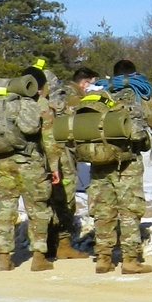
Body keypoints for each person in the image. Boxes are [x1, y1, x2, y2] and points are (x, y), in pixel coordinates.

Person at [85, 60, 152, 274]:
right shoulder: (138, 93)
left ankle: (103, 258)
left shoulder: (97, 93)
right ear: (133, 74)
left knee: (103, 210)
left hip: (99, 160)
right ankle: (130, 260)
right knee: (129, 210)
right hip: (128, 162)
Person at [0, 66, 61, 271]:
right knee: (38, 209)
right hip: (31, 164)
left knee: (5, 210)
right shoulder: (41, 106)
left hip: (3, 163)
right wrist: (54, 167)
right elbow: (49, 141)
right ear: (40, 87)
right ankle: (39, 256)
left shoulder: (5, 103)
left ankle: (4, 257)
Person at [46, 66, 98, 259]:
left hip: (46, 152)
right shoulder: (72, 98)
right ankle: (63, 244)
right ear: (85, 82)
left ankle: (49, 244)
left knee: (50, 198)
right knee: (65, 199)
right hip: (62, 152)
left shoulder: (56, 96)